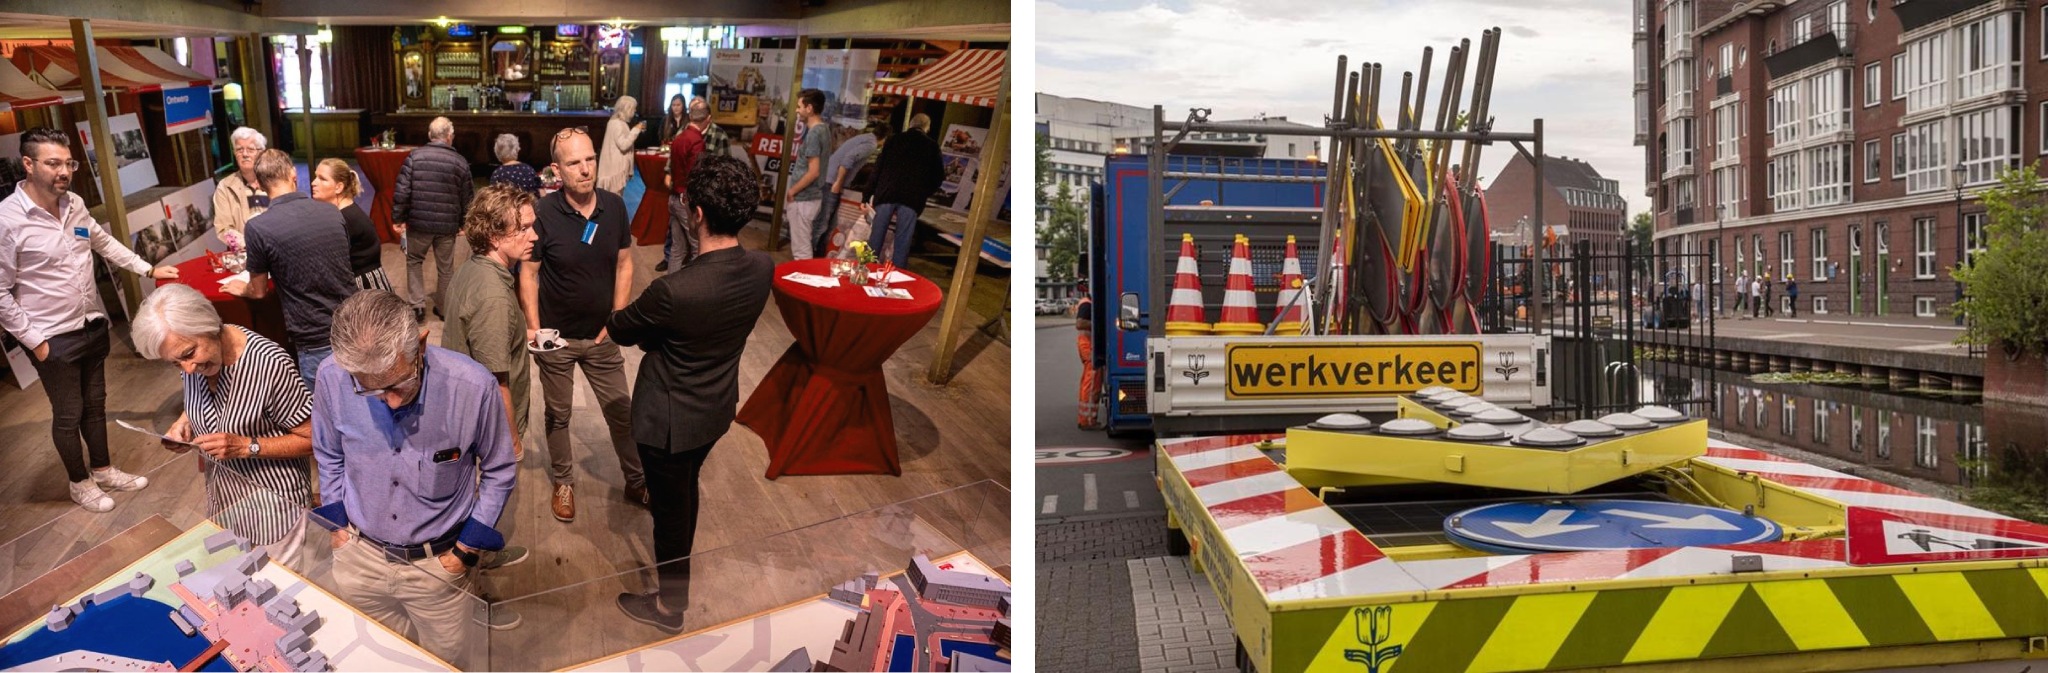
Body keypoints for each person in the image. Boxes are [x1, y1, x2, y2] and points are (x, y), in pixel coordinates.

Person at [607, 156, 773, 633]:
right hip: (714, 410)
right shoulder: (762, 267)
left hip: (667, 422)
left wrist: (651, 335)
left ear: (695, 213)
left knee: (670, 516)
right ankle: (672, 590)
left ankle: (669, 608)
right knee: (683, 493)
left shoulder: (674, 290)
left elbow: (621, 328)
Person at [313, 290, 524, 652]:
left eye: (399, 384)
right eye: (371, 391)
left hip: (438, 569)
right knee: (381, 652)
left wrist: (464, 552)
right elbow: (329, 452)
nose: (392, 401)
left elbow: (500, 469)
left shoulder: (474, 387)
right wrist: (338, 531)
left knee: (444, 658)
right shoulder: (332, 377)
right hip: (357, 557)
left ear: (421, 345)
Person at [0, 127, 177, 512]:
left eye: (69, 163)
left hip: (91, 325)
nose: (64, 171)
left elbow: (103, 242)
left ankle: (103, 470)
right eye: (53, 163)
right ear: (28, 164)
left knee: (95, 407)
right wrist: (36, 341)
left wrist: (147, 269)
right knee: (69, 415)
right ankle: (79, 483)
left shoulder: (75, 204)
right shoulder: (7, 220)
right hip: (51, 337)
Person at [133, 284, 314, 565]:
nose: (187, 369)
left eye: (189, 354)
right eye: (175, 364)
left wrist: (246, 446)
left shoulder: (268, 364)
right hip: (226, 502)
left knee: (275, 585)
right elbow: (211, 402)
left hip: (275, 507)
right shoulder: (195, 361)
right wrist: (185, 422)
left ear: (208, 325)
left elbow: (314, 439)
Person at [524, 127, 646, 522]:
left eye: (590, 159)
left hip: (601, 337)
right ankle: (563, 482)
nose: (585, 169)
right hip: (556, 339)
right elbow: (529, 272)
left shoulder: (615, 207)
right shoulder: (544, 213)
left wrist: (618, 318)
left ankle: (637, 480)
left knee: (622, 413)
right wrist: (535, 328)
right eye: (574, 162)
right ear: (556, 169)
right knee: (559, 414)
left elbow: (624, 264)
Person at [225, 150, 358, 390]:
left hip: (314, 336)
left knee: (323, 405)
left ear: (260, 185)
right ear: (293, 174)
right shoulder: (331, 211)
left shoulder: (257, 227)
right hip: (355, 325)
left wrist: (242, 288)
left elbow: (258, 291)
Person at [444, 184, 538, 463]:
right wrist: (513, 445)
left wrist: (522, 333)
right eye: (523, 228)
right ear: (495, 236)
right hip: (488, 431)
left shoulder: (473, 267)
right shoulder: (493, 296)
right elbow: (495, 383)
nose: (534, 236)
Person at [393, 116, 474, 322]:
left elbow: (402, 191)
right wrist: (465, 223)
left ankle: (417, 307)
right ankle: (444, 309)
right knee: (445, 268)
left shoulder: (414, 157)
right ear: (450, 137)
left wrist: (398, 218)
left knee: (414, 261)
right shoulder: (460, 162)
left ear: (430, 135)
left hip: (418, 222)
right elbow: (467, 197)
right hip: (447, 226)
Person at [862, 113, 945, 267]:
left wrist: (866, 195)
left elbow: (877, 169)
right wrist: (924, 192)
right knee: (903, 241)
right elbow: (938, 176)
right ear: (927, 128)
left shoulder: (893, 140)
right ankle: (897, 273)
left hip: (886, 193)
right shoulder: (932, 146)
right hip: (911, 198)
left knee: (876, 236)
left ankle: (867, 269)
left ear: (910, 124)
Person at [311, 158, 392, 292]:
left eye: (322, 179)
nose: (314, 183)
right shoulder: (345, 213)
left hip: (363, 289)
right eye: (316, 177)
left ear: (339, 187)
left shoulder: (346, 218)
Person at [812, 123, 887, 255]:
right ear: (885, 138)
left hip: (827, 177)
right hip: (832, 182)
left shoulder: (863, 137)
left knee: (827, 222)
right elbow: (848, 159)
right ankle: (809, 255)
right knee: (823, 222)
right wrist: (838, 183)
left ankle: (817, 254)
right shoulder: (871, 144)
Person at [658, 97, 711, 273]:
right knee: (697, 247)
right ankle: (693, 285)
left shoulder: (680, 138)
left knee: (677, 248)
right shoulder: (697, 142)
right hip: (686, 201)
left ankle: (672, 283)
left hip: (674, 197)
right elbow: (695, 176)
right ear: (708, 119)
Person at [783, 89, 830, 260]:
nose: (797, 110)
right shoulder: (824, 129)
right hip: (811, 198)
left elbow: (813, 171)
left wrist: (792, 191)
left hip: (804, 199)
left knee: (801, 249)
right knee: (803, 245)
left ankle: (802, 275)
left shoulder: (814, 134)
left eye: (799, 106)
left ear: (809, 108)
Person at [211, 127, 270, 239]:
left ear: (261, 152)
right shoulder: (225, 187)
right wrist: (248, 245)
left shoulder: (274, 180)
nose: (245, 154)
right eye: (239, 150)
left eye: (251, 149)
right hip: (243, 247)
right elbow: (224, 229)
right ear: (234, 153)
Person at [596, 96, 645, 194]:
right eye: (633, 108)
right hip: (615, 171)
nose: (635, 111)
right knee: (614, 198)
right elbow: (623, 145)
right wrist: (636, 130)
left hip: (616, 169)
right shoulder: (616, 124)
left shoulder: (619, 123)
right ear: (627, 108)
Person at [1074, 284, 1101, 430]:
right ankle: (1088, 420)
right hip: (1088, 346)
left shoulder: (1086, 303)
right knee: (1091, 384)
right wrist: (1098, 324)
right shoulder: (1087, 304)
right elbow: (1080, 324)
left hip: (1087, 346)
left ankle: (1085, 418)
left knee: (1088, 382)